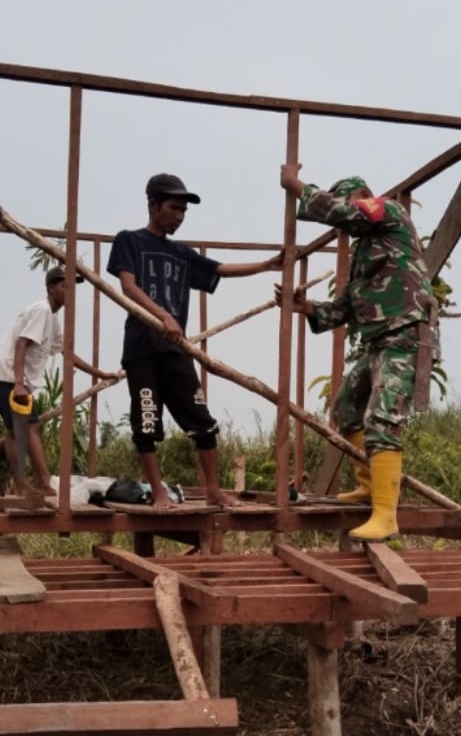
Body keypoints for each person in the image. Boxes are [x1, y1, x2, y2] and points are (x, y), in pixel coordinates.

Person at [276, 165, 438, 543]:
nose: (346, 221)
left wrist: (294, 185)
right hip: (379, 341)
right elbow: (347, 306)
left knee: (382, 419)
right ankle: (369, 486)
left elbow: (342, 212)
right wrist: (308, 308)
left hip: (406, 334)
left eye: (346, 205)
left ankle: (386, 515)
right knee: (347, 409)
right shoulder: (366, 250)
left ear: (359, 197)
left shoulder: (389, 212)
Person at [107, 172, 283, 511]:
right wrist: (164, 316)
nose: (179, 216)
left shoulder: (180, 253)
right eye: (173, 208)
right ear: (153, 205)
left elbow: (219, 269)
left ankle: (215, 490)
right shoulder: (128, 240)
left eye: (183, 211)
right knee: (146, 421)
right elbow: (128, 287)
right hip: (142, 348)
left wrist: (266, 265)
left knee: (202, 421)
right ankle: (158, 493)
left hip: (175, 349)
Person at [0, 266, 117, 500]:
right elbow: (21, 344)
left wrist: (100, 373)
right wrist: (20, 383)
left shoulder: (53, 318)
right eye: (65, 286)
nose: (70, 292)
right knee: (30, 428)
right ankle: (43, 483)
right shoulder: (42, 311)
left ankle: (25, 485)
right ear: (52, 287)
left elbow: (67, 352)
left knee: (14, 435)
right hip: (8, 377)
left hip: (11, 378)